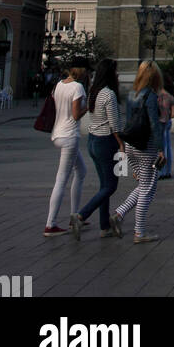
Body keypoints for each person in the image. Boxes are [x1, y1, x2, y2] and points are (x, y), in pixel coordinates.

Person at [111, 59, 166, 243]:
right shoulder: (150, 96)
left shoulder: (131, 94)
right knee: (148, 189)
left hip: (131, 144)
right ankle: (139, 232)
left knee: (143, 185)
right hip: (146, 146)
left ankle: (119, 214)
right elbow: (154, 124)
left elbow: (129, 121)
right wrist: (160, 149)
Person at [71, 59, 126, 239]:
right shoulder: (109, 94)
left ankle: (104, 227)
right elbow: (114, 124)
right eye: (115, 72)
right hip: (106, 141)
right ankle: (81, 215)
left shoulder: (94, 91)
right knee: (111, 186)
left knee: (104, 185)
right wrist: (121, 144)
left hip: (93, 141)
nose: (118, 75)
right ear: (110, 74)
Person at [44, 66, 88, 236]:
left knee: (81, 171)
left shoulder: (59, 85)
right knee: (61, 179)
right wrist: (88, 106)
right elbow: (76, 115)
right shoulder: (77, 87)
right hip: (70, 135)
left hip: (57, 133)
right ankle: (50, 224)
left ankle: (75, 216)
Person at [157, 79, 174, 179]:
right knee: (168, 148)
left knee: (160, 149)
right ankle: (168, 171)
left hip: (159, 123)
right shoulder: (170, 97)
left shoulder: (157, 97)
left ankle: (161, 172)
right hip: (167, 123)